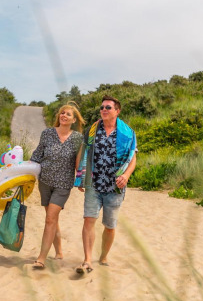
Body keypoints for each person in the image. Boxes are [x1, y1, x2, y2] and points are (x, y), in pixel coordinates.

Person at [75, 95, 137, 274]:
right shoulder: (92, 130)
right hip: (94, 183)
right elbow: (84, 151)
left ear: (117, 111)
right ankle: (87, 260)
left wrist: (126, 175)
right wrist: (80, 176)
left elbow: (133, 159)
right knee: (88, 220)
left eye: (108, 107)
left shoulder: (127, 133)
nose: (103, 110)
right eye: (102, 107)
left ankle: (103, 256)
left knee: (109, 226)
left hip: (115, 186)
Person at [29, 102, 85, 270]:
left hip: (63, 184)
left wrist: (81, 181)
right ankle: (59, 251)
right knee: (52, 219)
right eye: (62, 113)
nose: (64, 116)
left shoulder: (77, 138)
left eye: (68, 114)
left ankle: (41, 258)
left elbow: (79, 162)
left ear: (74, 119)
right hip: (45, 181)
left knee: (49, 219)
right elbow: (37, 155)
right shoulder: (47, 134)